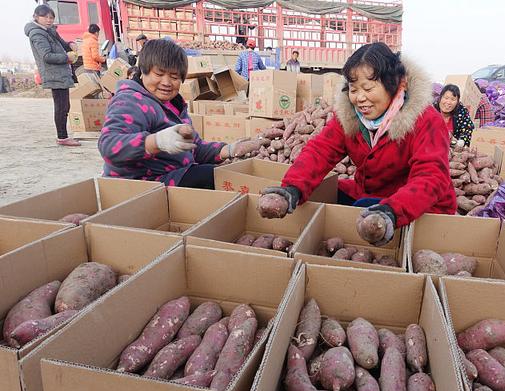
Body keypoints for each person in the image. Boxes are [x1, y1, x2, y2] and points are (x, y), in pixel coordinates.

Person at [258, 42, 456, 247]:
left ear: (396, 84)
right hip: (371, 195)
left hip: (416, 204)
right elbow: (321, 150)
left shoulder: (426, 120)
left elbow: (431, 176)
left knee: (361, 208)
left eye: (368, 88)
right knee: (324, 192)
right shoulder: (350, 116)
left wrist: (391, 211)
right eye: (353, 89)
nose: (360, 98)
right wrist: (292, 188)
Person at [98, 39, 259, 189]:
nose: (167, 83)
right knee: (214, 177)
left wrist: (229, 150)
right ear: (143, 72)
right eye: (159, 74)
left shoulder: (174, 105)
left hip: (172, 175)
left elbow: (194, 147)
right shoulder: (131, 101)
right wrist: (156, 142)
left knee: (223, 174)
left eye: (174, 77)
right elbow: (109, 145)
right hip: (142, 184)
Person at [25, 4, 80, 146]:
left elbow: (63, 45)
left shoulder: (50, 31)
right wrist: (66, 57)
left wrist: (71, 44)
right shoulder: (37, 33)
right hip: (53, 73)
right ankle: (62, 137)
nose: (49, 20)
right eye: (45, 17)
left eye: (51, 17)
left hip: (61, 72)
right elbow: (47, 56)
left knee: (64, 106)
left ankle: (63, 136)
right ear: (36, 17)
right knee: (61, 106)